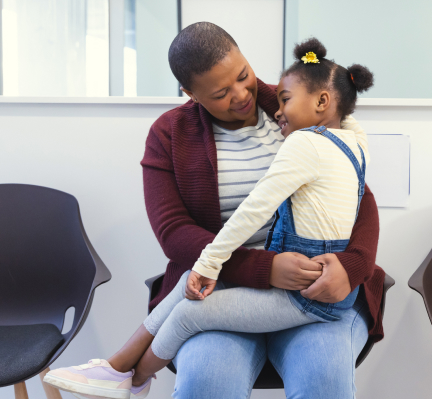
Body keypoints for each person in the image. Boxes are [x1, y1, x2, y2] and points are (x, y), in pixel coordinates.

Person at [45, 23, 386, 399]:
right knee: (206, 385)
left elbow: (358, 193)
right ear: (190, 93)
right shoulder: (169, 134)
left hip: (314, 283)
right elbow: (174, 233)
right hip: (228, 281)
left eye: (244, 76)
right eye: (221, 93)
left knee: (325, 383)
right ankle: (123, 375)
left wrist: (353, 265)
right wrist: (265, 269)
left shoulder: (293, 104)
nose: (242, 95)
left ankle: (126, 372)